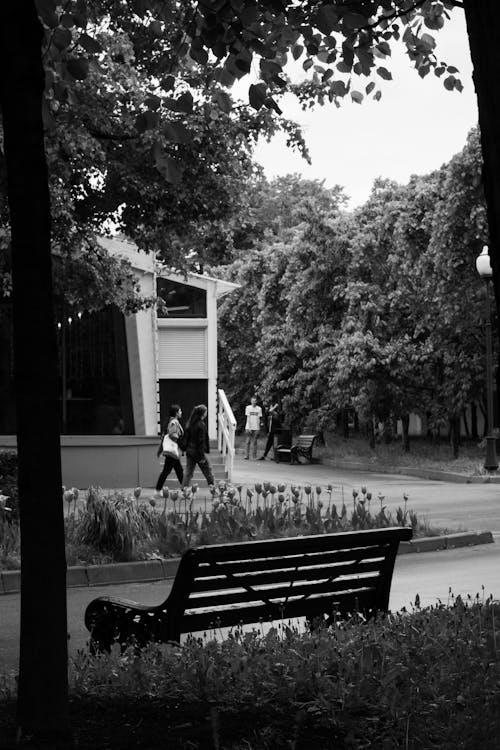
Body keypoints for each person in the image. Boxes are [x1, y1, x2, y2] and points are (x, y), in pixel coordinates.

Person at [182, 404, 214, 487]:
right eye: (206, 411)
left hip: (190, 451)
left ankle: (184, 490)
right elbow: (201, 442)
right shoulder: (201, 425)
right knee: (208, 471)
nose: (207, 413)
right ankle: (213, 489)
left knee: (188, 472)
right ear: (203, 413)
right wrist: (202, 456)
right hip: (198, 452)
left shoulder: (190, 424)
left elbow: (187, 438)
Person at [155, 404, 184, 495]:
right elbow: (172, 435)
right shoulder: (174, 422)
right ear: (176, 413)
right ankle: (158, 490)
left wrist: (160, 451)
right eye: (180, 411)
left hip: (172, 451)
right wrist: (180, 441)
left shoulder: (170, 421)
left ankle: (185, 489)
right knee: (167, 471)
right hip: (172, 451)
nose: (181, 412)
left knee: (179, 471)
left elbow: (164, 438)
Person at [244, 395, 263, 460]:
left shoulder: (259, 409)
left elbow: (259, 419)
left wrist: (259, 427)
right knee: (248, 441)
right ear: (251, 401)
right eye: (252, 401)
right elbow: (248, 418)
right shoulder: (248, 408)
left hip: (256, 427)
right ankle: (247, 455)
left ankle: (254, 456)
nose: (253, 402)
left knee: (254, 442)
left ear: (256, 401)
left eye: (255, 401)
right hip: (249, 427)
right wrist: (249, 427)